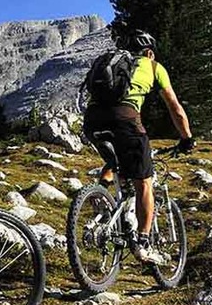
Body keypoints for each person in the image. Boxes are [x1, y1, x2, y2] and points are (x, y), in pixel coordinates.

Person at [83, 29, 195, 264]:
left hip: (92, 122)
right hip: (125, 120)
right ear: (149, 52)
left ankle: (100, 197)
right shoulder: (153, 67)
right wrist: (186, 138)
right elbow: (175, 107)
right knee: (144, 181)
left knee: (114, 161)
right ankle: (143, 243)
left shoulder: (112, 63)